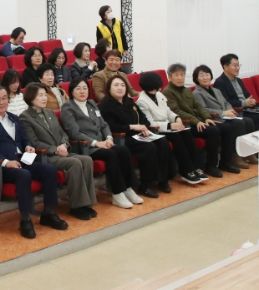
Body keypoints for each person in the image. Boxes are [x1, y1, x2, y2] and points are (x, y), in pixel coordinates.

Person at [0, 86, 68, 239]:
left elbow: (24, 139)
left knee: (49, 169)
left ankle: (48, 213)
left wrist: (28, 146)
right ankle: (25, 219)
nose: (1, 102)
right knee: (23, 174)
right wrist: (6, 162)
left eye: (4, 98)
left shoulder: (13, 117)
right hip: (1, 165)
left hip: (22, 159)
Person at [60, 77, 141, 209]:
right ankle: (117, 193)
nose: (82, 91)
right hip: (84, 147)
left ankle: (128, 188)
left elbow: (104, 125)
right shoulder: (68, 107)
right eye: (78, 88)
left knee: (123, 150)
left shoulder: (91, 104)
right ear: (71, 91)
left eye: (85, 88)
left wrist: (109, 138)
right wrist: (96, 143)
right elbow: (74, 133)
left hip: (102, 143)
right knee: (111, 154)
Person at [20, 83, 96, 220]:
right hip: (45, 156)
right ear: (31, 97)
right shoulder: (25, 117)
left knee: (87, 160)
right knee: (74, 163)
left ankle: (87, 203)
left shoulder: (50, 112)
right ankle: (77, 206)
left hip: (61, 151)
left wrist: (64, 145)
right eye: (40, 95)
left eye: (45, 95)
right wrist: (55, 150)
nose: (45, 98)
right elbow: (34, 142)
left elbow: (63, 133)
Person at [99, 75, 174, 198]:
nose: (120, 88)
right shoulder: (105, 105)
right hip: (122, 137)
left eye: (122, 85)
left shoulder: (129, 102)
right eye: (116, 85)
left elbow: (144, 119)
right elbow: (110, 126)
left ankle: (162, 180)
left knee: (162, 142)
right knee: (149, 147)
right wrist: (132, 127)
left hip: (139, 135)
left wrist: (144, 127)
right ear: (109, 88)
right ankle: (145, 185)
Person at [163, 63, 241, 177]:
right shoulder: (167, 92)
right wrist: (197, 121)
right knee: (213, 131)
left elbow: (198, 106)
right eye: (176, 75)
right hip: (186, 125)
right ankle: (210, 166)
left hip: (197, 122)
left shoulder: (186, 90)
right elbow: (177, 111)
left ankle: (225, 162)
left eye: (182, 75)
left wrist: (207, 118)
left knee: (227, 128)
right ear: (169, 77)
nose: (180, 78)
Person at [136, 72, 205, 184]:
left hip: (168, 127)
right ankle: (186, 171)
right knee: (176, 136)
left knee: (186, 133)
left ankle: (196, 167)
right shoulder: (142, 102)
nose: (159, 88)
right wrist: (170, 126)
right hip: (157, 130)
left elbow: (168, 112)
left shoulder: (159, 95)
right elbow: (149, 123)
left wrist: (177, 118)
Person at [192, 64, 258, 166]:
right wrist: (223, 113)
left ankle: (248, 152)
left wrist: (231, 110)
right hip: (215, 118)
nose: (205, 78)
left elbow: (226, 103)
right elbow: (203, 110)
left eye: (207, 75)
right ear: (196, 79)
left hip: (226, 116)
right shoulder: (197, 93)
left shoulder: (216, 90)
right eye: (201, 75)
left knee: (248, 121)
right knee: (238, 124)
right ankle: (236, 155)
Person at [214, 53, 259, 130]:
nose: (238, 68)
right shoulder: (220, 82)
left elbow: (247, 95)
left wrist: (252, 100)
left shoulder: (238, 80)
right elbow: (226, 102)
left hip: (248, 109)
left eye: (238, 65)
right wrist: (244, 103)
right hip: (237, 111)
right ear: (225, 67)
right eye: (235, 65)